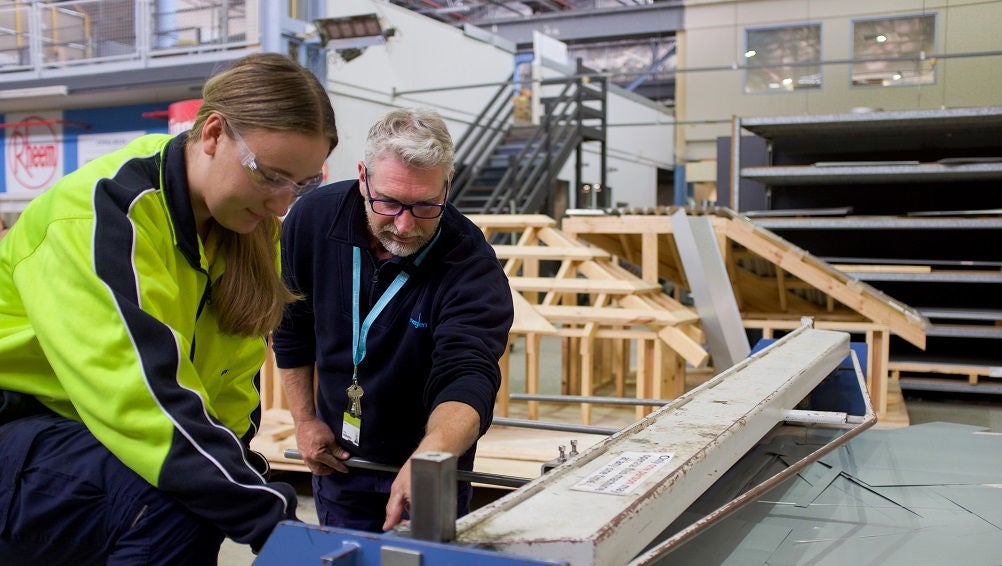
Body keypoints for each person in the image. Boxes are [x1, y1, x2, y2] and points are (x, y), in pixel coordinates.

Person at [0, 52, 338, 565]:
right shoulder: (104, 214)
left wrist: (238, 477)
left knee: (205, 490)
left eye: (302, 183)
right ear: (213, 133)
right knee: (177, 498)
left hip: (80, 434)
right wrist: (275, 524)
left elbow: (228, 386)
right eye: (270, 176)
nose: (284, 204)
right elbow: (142, 402)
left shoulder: (246, 229)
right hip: (20, 422)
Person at [272, 107, 514, 533]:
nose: (403, 225)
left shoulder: (470, 263)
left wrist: (431, 458)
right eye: (387, 203)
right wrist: (305, 420)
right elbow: (292, 329)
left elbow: (468, 372)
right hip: (339, 462)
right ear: (363, 176)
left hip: (429, 464)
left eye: (425, 206)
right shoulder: (310, 220)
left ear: (448, 183)